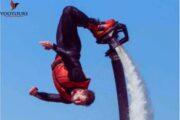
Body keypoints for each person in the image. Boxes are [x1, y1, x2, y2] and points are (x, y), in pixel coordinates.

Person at [29, 6, 128, 106]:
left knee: (68, 15)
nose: (76, 102)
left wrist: (36, 94)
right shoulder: (78, 78)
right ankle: (96, 27)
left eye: (79, 104)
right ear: (82, 91)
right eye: (80, 100)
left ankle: (92, 25)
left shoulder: (67, 98)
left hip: (61, 49)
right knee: (69, 11)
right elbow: (70, 59)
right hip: (70, 47)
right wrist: (53, 47)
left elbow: (50, 97)